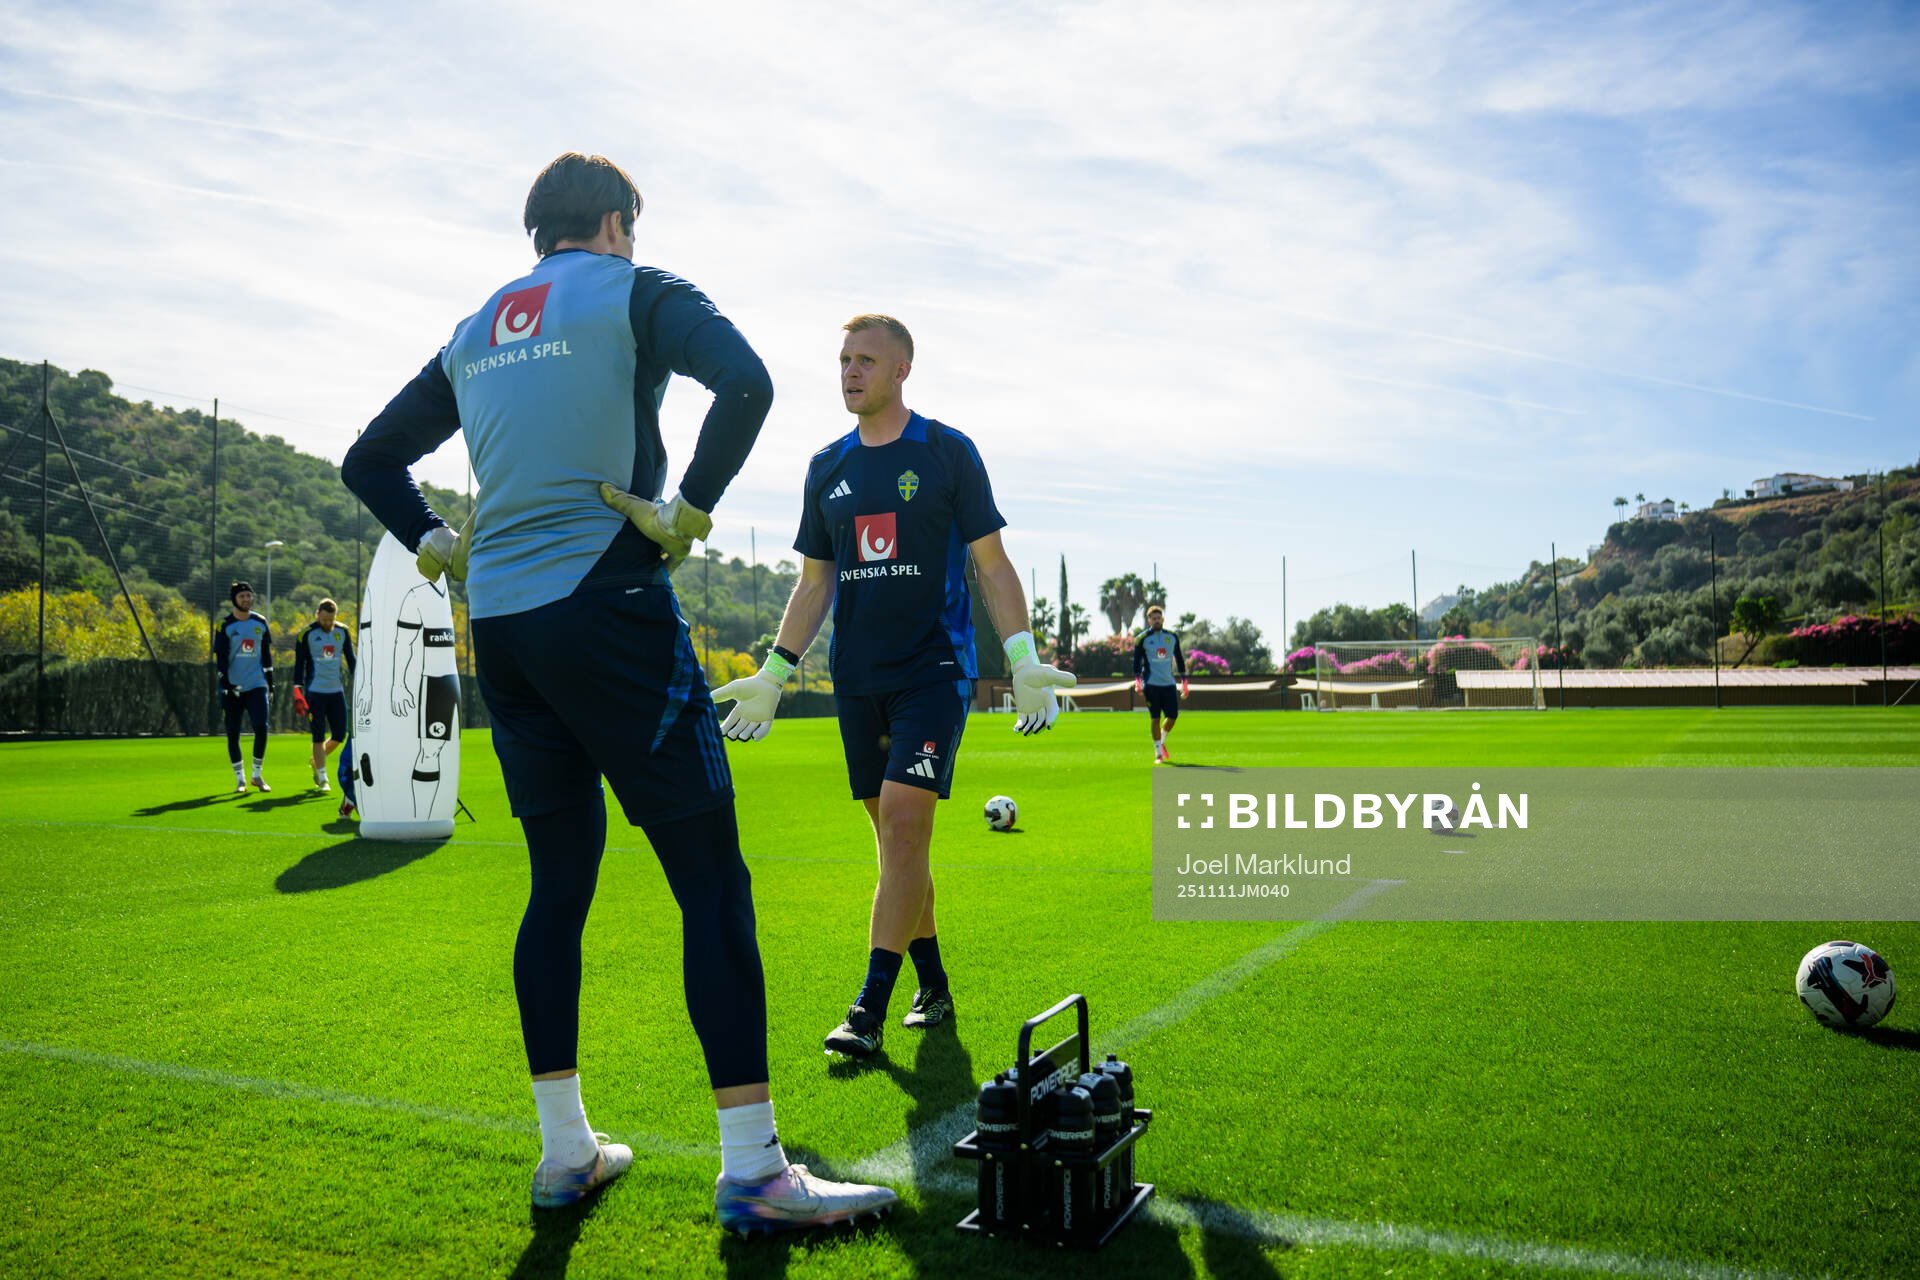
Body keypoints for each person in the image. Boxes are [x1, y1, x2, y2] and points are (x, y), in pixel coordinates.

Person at [342, 151, 895, 1231]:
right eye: (630, 229)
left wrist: (437, 541)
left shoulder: (474, 328)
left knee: (558, 884)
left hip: (502, 627)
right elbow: (749, 381)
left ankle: (565, 1151)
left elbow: (370, 457)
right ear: (612, 222)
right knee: (709, 880)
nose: (633, 244)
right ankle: (755, 1170)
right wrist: (687, 510)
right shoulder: (642, 291)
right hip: (608, 607)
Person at [708, 314, 1074, 1060]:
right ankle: (933, 984)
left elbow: (992, 564)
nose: (850, 372)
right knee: (896, 844)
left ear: (903, 369)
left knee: (906, 828)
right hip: (857, 681)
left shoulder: (947, 453)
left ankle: (868, 1008)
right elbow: (815, 585)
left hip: (933, 671)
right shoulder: (826, 467)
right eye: (843, 360)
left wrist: (1022, 654)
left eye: (866, 360)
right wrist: (774, 671)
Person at [213, 581, 273, 793]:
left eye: (248, 596)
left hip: (256, 684)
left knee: (261, 727)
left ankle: (257, 775)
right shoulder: (224, 625)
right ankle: (241, 779)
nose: (246, 599)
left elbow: (266, 655)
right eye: (242, 597)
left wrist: (271, 682)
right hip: (232, 687)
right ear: (234, 600)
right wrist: (225, 681)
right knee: (233, 733)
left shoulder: (260, 622)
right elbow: (220, 658)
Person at [292, 598, 356, 791]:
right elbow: (299, 664)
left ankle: (315, 761)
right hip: (315, 693)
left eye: (331, 620)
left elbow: (351, 660)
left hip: (336, 692)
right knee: (318, 736)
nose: (328, 624)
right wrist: (297, 690)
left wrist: (361, 679)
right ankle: (322, 778)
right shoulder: (306, 634)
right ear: (317, 614)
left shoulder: (342, 631)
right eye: (325, 619)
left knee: (340, 733)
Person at [1133, 604, 1188, 763]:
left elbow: (1179, 659)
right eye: (1153, 618)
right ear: (1149, 620)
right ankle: (1158, 753)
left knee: (1173, 715)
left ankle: (1162, 740)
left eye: (1159, 617)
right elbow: (1136, 663)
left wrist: (1184, 683)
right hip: (1151, 684)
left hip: (1169, 684)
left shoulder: (1172, 637)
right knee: (1155, 718)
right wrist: (1138, 683)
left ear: (1162, 619)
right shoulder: (1142, 639)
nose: (1157, 620)